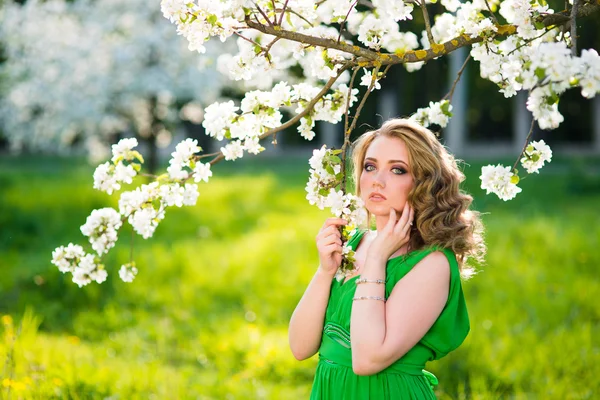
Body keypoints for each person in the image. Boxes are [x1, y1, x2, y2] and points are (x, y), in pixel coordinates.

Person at [288, 118, 486, 399]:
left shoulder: (431, 264)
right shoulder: (352, 242)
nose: (377, 181)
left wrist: (377, 257)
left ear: (424, 182)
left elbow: (367, 359)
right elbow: (300, 347)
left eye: (397, 169)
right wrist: (324, 272)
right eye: (370, 167)